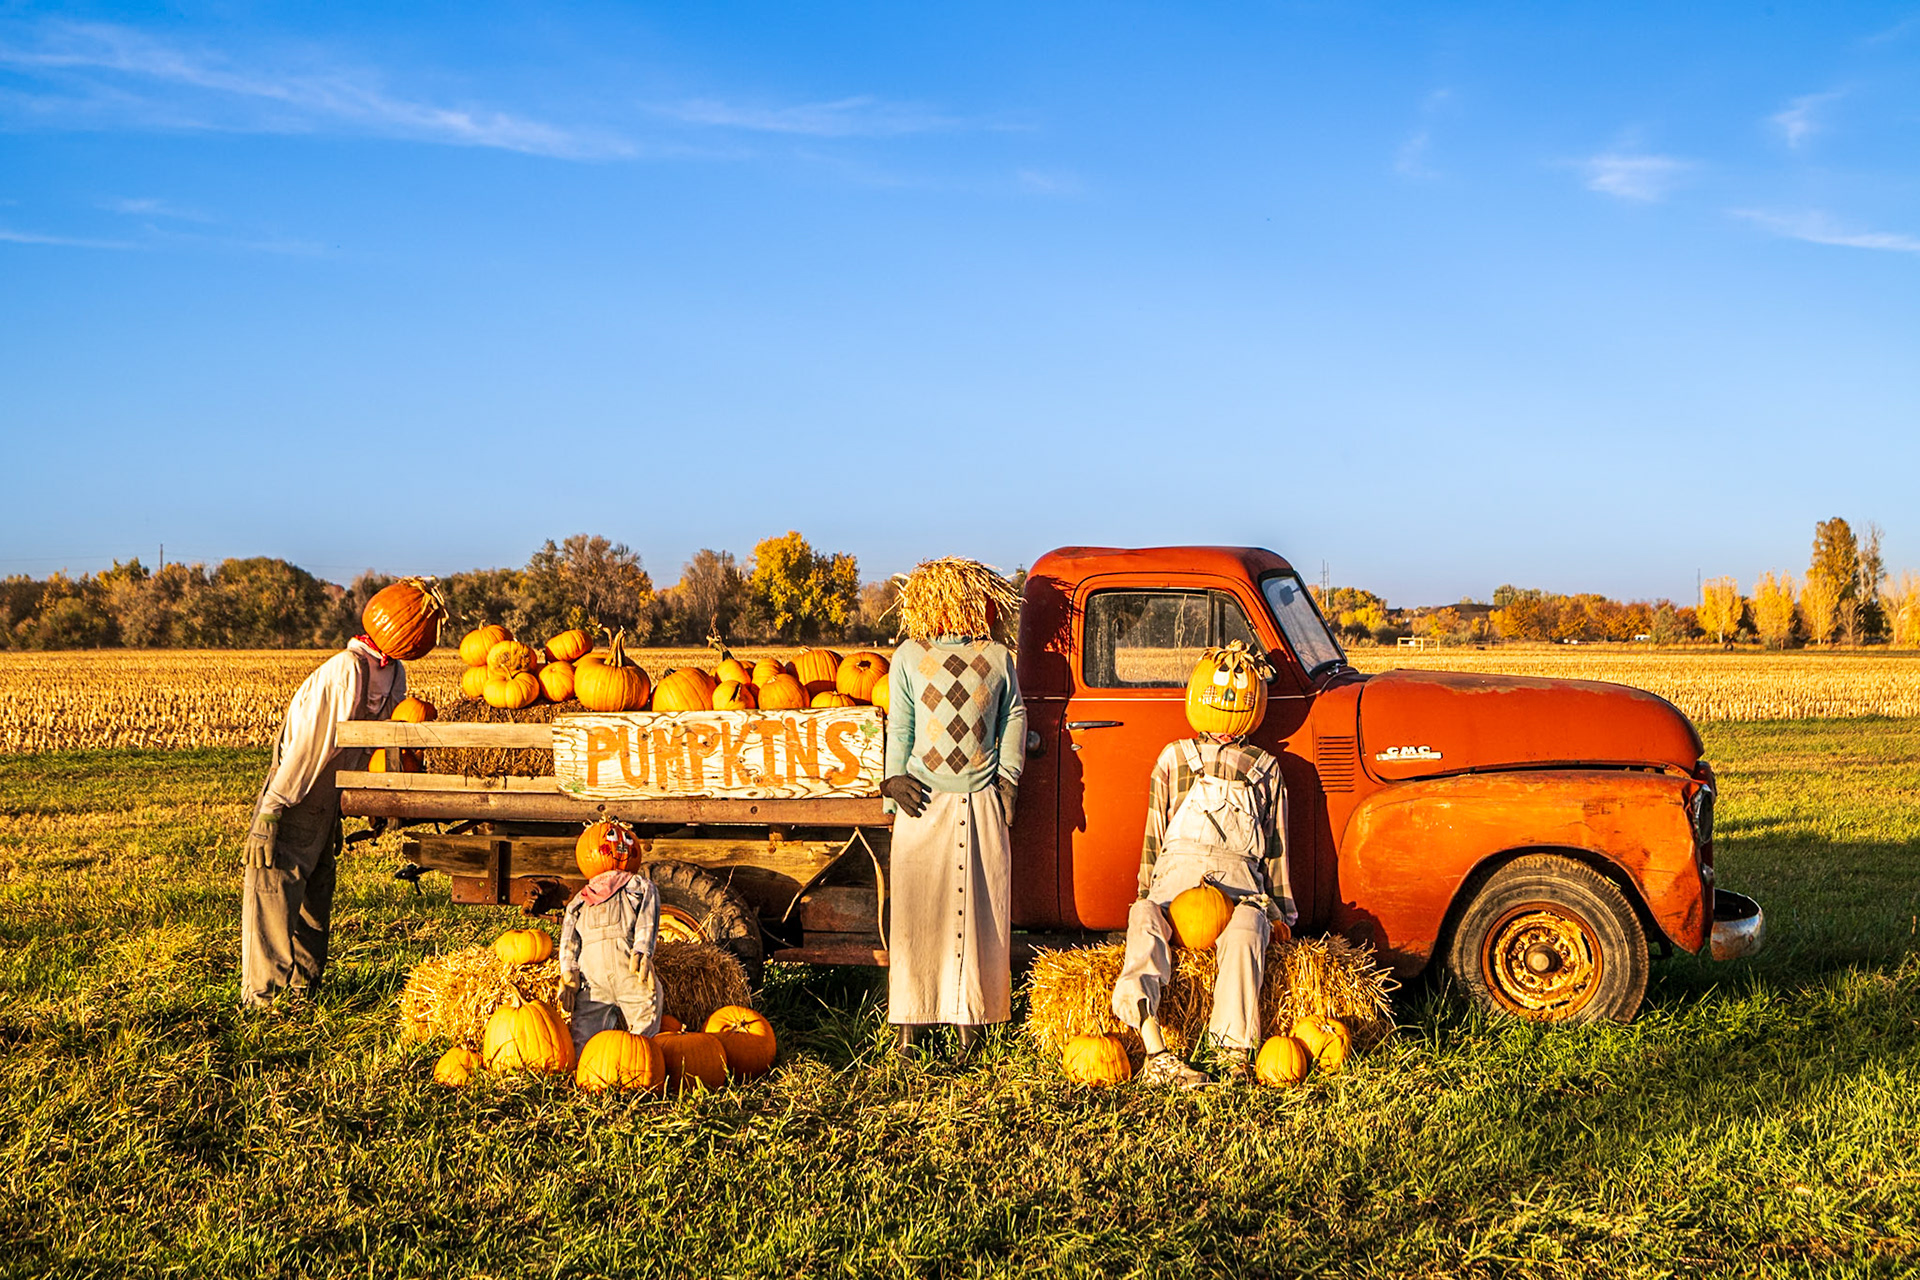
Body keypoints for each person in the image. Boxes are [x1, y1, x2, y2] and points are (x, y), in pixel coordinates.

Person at [240, 578, 443, 1007]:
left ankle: (303, 991)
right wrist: (271, 810)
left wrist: (374, 794)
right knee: (274, 895)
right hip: (297, 792)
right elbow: (309, 748)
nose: (423, 632)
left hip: (330, 798)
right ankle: (265, 1000)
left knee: (315, 896)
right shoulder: (346, 670)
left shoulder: (394, 672)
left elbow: (375, 741)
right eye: (419, 621)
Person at [1112, 641, 1295, 1086]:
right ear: (1198, 693)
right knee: (1145, 921)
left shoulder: (1265, 767)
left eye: (1240, 690)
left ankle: (1231, 1051)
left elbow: (1275, 846)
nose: (1227, 700)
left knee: (1249, 930)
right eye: (1217, 688)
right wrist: (1144, 895)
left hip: (1238, 883)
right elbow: (1154, 833)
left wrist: (1281, 911)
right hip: (1176, 878)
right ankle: (1156, 1050)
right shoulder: (1173, 758)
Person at [879, 558, 1026, 1062]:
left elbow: (1013, 716)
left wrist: (1007, 782)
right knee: (918, 912)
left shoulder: (998, 657)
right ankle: (910, 1025)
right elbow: (900, 728)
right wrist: (891, 783)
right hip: (921, 802)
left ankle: (972, 1022)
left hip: (980, 798)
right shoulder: (908, 656)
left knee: (980, 911)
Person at [557, 826, 663, 1053]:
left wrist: (643, 950)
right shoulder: (581, 899)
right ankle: (584, 1065)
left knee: (644, 1010)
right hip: (592, 980)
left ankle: (641, 1061)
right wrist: (569, 970)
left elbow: (648, 916)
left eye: (626, 839)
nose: (621, 845)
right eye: (612, 838)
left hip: (629, 969)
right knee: (585, 1026)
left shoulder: (637, 886)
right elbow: (570, 936)